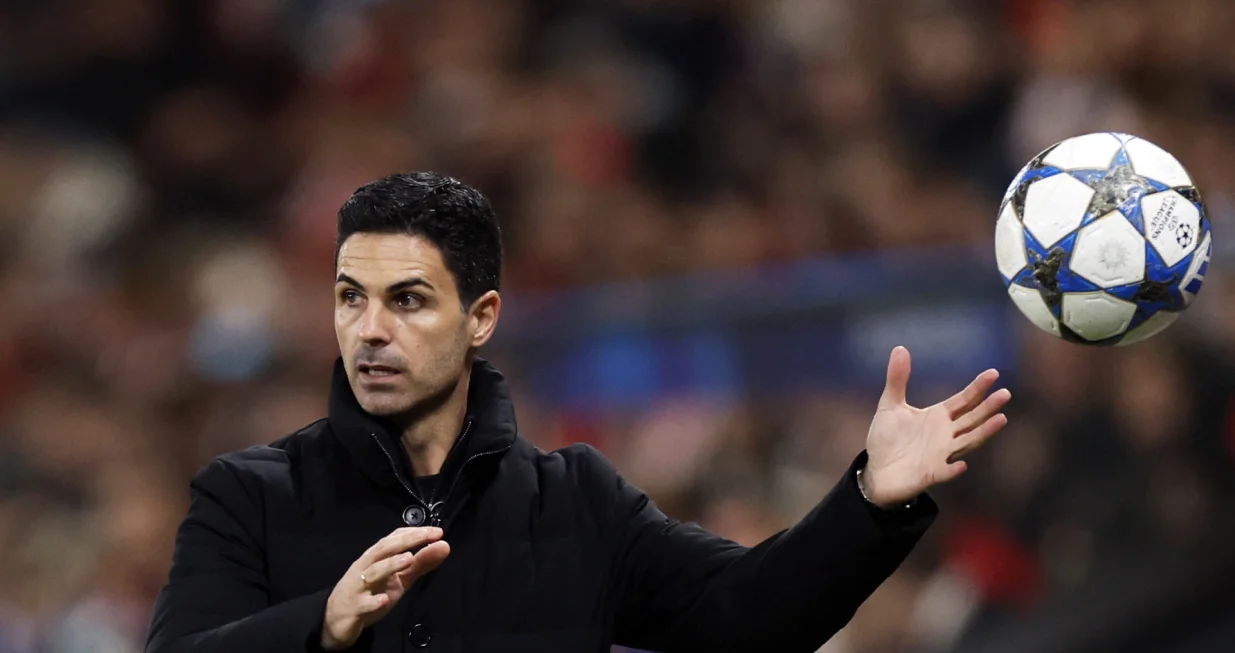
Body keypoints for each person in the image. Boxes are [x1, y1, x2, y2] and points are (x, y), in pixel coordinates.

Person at [144, 172, 1011, 653]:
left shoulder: (575, 502)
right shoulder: (249, 496)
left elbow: (749, 615)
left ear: (481, 316)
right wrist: (323, 623)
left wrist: (870, 499)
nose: (368, 329)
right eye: (349, 297)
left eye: (406, 299)